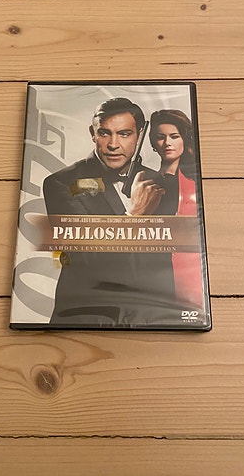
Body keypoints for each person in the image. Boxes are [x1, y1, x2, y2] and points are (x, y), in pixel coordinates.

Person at [43, 98, 184, 327]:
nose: (113, 144)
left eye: (124, 134)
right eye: (104, 133)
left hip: (152, 319)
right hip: (87, 316)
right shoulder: (61, 183)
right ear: (93, 134)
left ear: (139, 135)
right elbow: (86, 257)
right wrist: (134, 216)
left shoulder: (162, 184)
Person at [149, 109, 204, 308]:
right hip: (151, 273)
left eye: (174, 136)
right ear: (153, 143)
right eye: (160, 137)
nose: (167, 143)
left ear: (184, 139)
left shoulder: (194, 184)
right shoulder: (144, 183)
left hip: (185, 274)